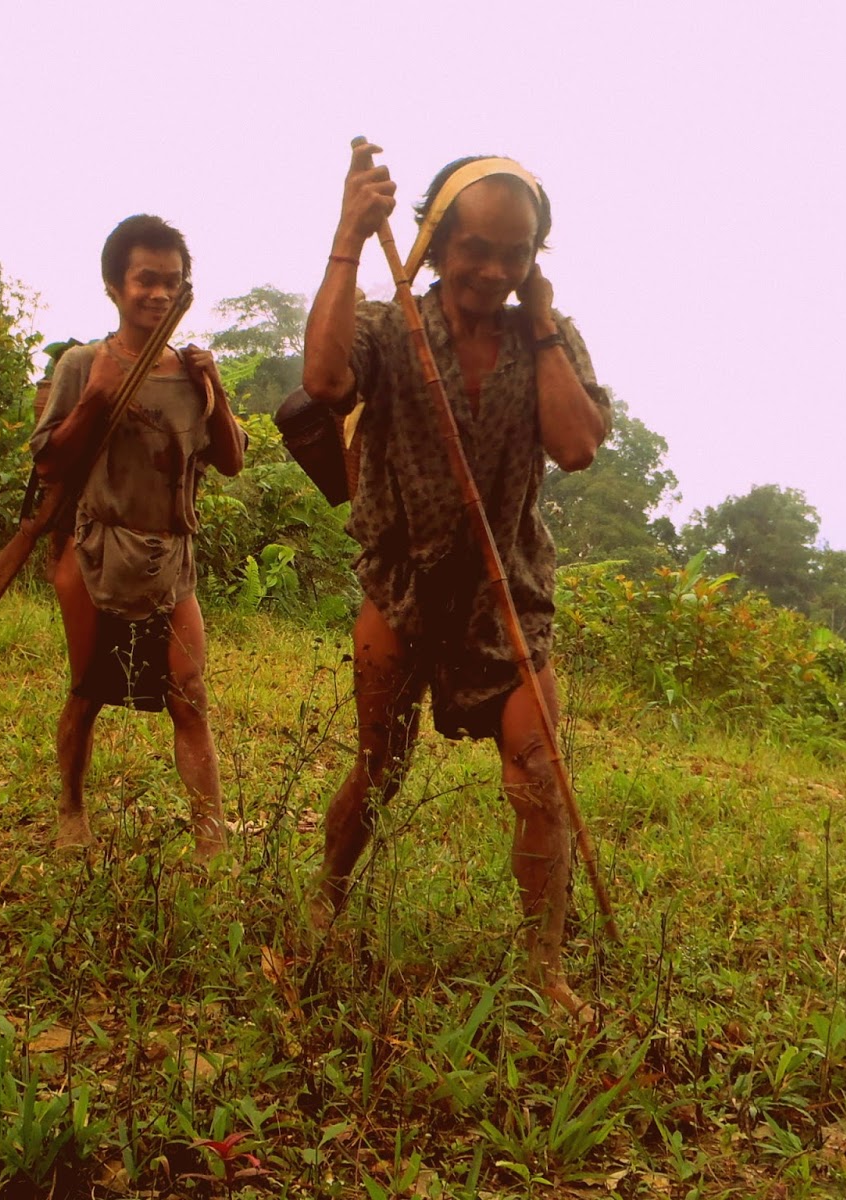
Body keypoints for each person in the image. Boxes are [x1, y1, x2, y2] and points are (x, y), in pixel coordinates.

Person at [301, 144, 612, 1011]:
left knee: (540, 781)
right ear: (436, 243)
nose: (494, 271)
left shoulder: (544, 337)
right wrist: (349, 236)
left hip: (507, 595)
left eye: (516, 254)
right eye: (476, 249)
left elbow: (577, 446)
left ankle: (544, 969)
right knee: (380, 765)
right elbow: (323, 379)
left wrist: (541, 322)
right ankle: (327, 898)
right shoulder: (389, 325)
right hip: (403, 588)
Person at [30, 214, 246, 863]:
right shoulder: (82, 365)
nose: (158, 293)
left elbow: (232, 460)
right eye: (145, 279)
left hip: (170, 556)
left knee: (191, 696)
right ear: (114, 285)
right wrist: (96, 397)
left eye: (171, 282)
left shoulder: (192, 373)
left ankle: (210, 839)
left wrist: (216, 390)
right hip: (97, 550)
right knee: (87, 691)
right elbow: (49, 463)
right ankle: (72, 810)